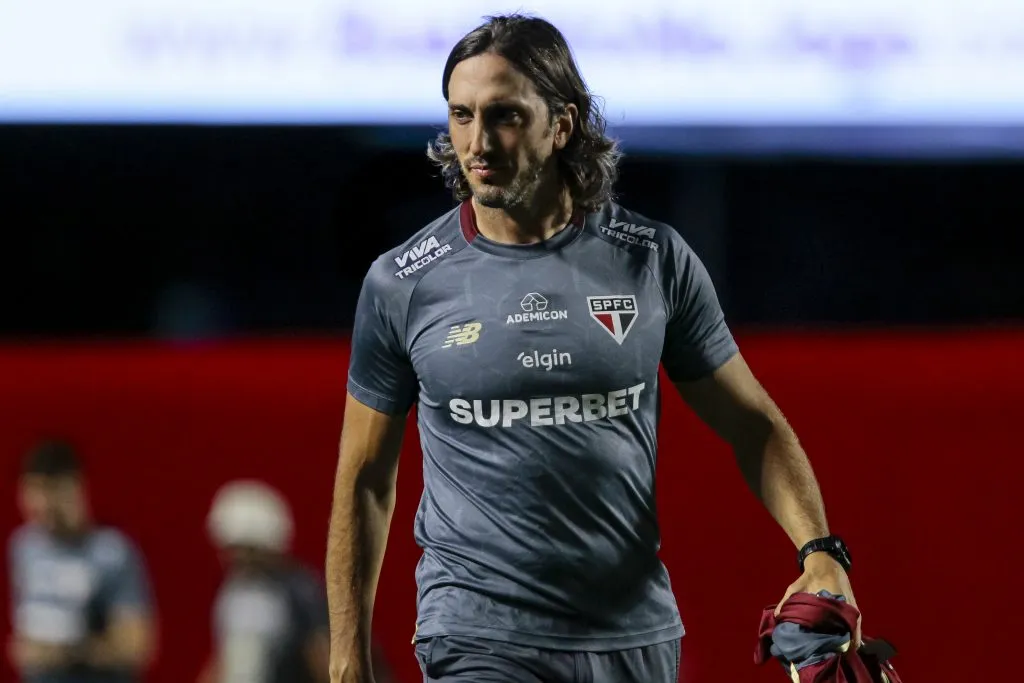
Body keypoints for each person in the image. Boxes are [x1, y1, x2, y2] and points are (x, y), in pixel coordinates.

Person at [327, 13, 861, 683]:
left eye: (505, 116)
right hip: (476, 636)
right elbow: (364, 478)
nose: (478, 142)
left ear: (562, 125)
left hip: (632, 638)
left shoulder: (653, 260)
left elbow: (751, 424)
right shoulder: (402, 280)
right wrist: (347, 657)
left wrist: (819, 550)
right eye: (461, 115)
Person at [200, 480, 393, 683]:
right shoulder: (232, 592)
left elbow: (321, 656)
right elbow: (226, 658)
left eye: (242, 548)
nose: (233, 557)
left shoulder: (299, 591)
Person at [6, 440, 157, 683]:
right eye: (33, 492)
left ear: (75, 488)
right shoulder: (24, 547)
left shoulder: (111, 552)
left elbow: (137, 645)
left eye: (51, 491)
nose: (41, 504)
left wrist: (69, 652)